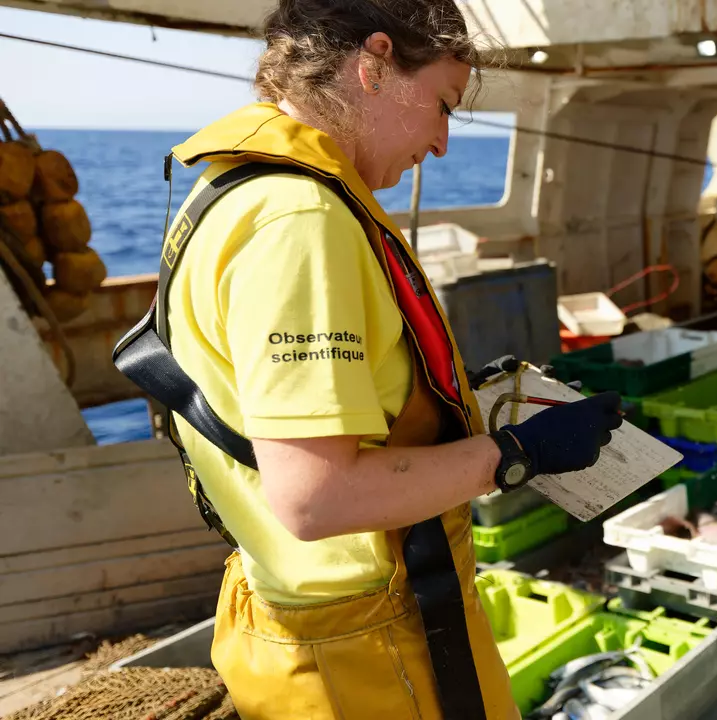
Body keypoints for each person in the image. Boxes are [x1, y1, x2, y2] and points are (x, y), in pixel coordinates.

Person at [110, 1, 622, 717]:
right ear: (375, 64)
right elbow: (318, 497)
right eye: (443, 105)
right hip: (370, 652)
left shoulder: (232, 187)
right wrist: (513, 453)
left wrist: (437, 399)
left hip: (302, 624)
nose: (442, 143)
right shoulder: (301, 219)